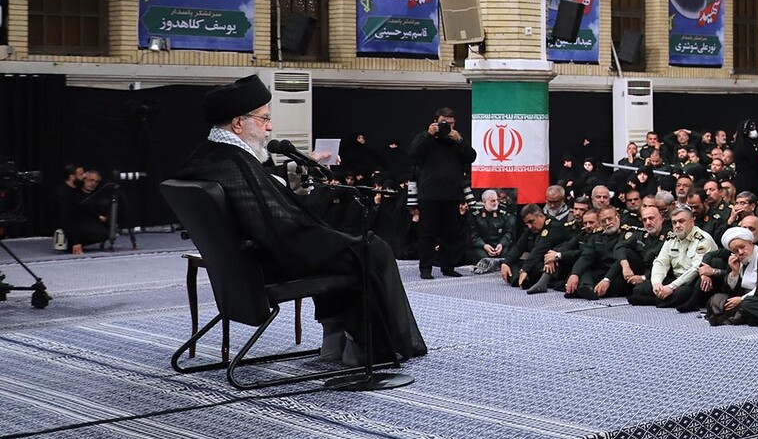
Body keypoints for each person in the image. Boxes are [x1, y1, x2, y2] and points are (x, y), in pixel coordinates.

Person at [173, 74, 426, 365]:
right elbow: (278, 223)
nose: (269, 127)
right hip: (270, 264)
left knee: (345, 247)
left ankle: (336, 339)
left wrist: (296, 179)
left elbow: (258, 193)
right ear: (238, 123)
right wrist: (324, 234)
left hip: (243, 263)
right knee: (372, 249)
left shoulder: (212, 156)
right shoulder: (235, 164)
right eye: (264, 118)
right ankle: (374, 349)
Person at [408, 106, 473, 278]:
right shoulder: (426, 138)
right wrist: (428, 134)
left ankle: (448, 267)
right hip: (429, 193)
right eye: (444, 123)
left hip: (451, 193)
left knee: (450, 233)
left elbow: (471, 157)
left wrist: (459, 140)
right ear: (435, 122)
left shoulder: (457, 139)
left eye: (451, 123)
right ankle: (425, 268)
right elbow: (413, 153)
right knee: (427, 233)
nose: (447, 127)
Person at [652, 205, 721, 310]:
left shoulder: (703, 239)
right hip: (676, 279)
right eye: (674, 222)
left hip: (693, 281)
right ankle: (661, 297)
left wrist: (671, 287)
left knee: (682, 293)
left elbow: (695, 268)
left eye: (681, 221)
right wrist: (657, 283)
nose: (677, 225)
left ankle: (657, 300)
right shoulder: (672, 238)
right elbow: (661, 262)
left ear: (692, 221)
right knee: (641, 289)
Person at [468, 189, 516, 274]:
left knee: (506, 257)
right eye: (492, 201)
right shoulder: (476, 215)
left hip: (499, 245)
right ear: (484, 202)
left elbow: (508, 232)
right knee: (485, 260)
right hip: (483, 246)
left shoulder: (503, 214)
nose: (496, 203)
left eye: (497, 200)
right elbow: (474, 236)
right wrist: (484, 246)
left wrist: (501, 244)